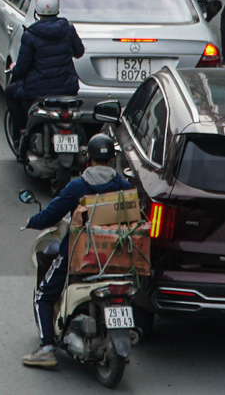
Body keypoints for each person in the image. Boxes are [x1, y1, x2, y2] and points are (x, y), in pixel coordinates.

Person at [21, 133, 135, 370]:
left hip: (78, 255)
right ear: (112, 159)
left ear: (87, 159)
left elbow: (52, 214)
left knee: (44, 295)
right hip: (116, 256)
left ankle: (47, 348)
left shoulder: (78, 187)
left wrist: (33, 221)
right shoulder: (124, 186)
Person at [6, 0, 85, 136]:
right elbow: (79, 52)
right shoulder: (67, 29)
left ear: (37, 9)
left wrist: (13, 69)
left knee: (10, 93)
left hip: (38, 90)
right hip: (68, 88)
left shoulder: (30, 35)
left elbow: (22, 68)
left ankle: (22, 133)